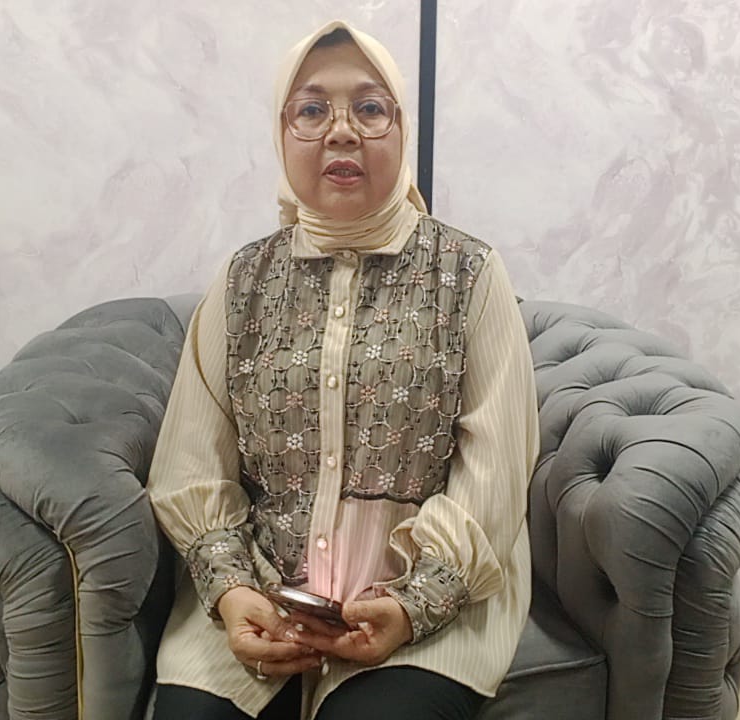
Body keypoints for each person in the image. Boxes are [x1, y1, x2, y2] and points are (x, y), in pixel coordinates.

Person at [148, 19, 538, 720]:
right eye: (311, 109)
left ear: (401, 128)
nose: (341, 132)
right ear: (281, 133)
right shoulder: (242, 280)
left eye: (369, 107)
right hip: (264, 592)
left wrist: (413, 605)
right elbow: (190, 463)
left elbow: (497, 470)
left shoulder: (468, 274)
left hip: (428, 604)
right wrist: (234, 593)